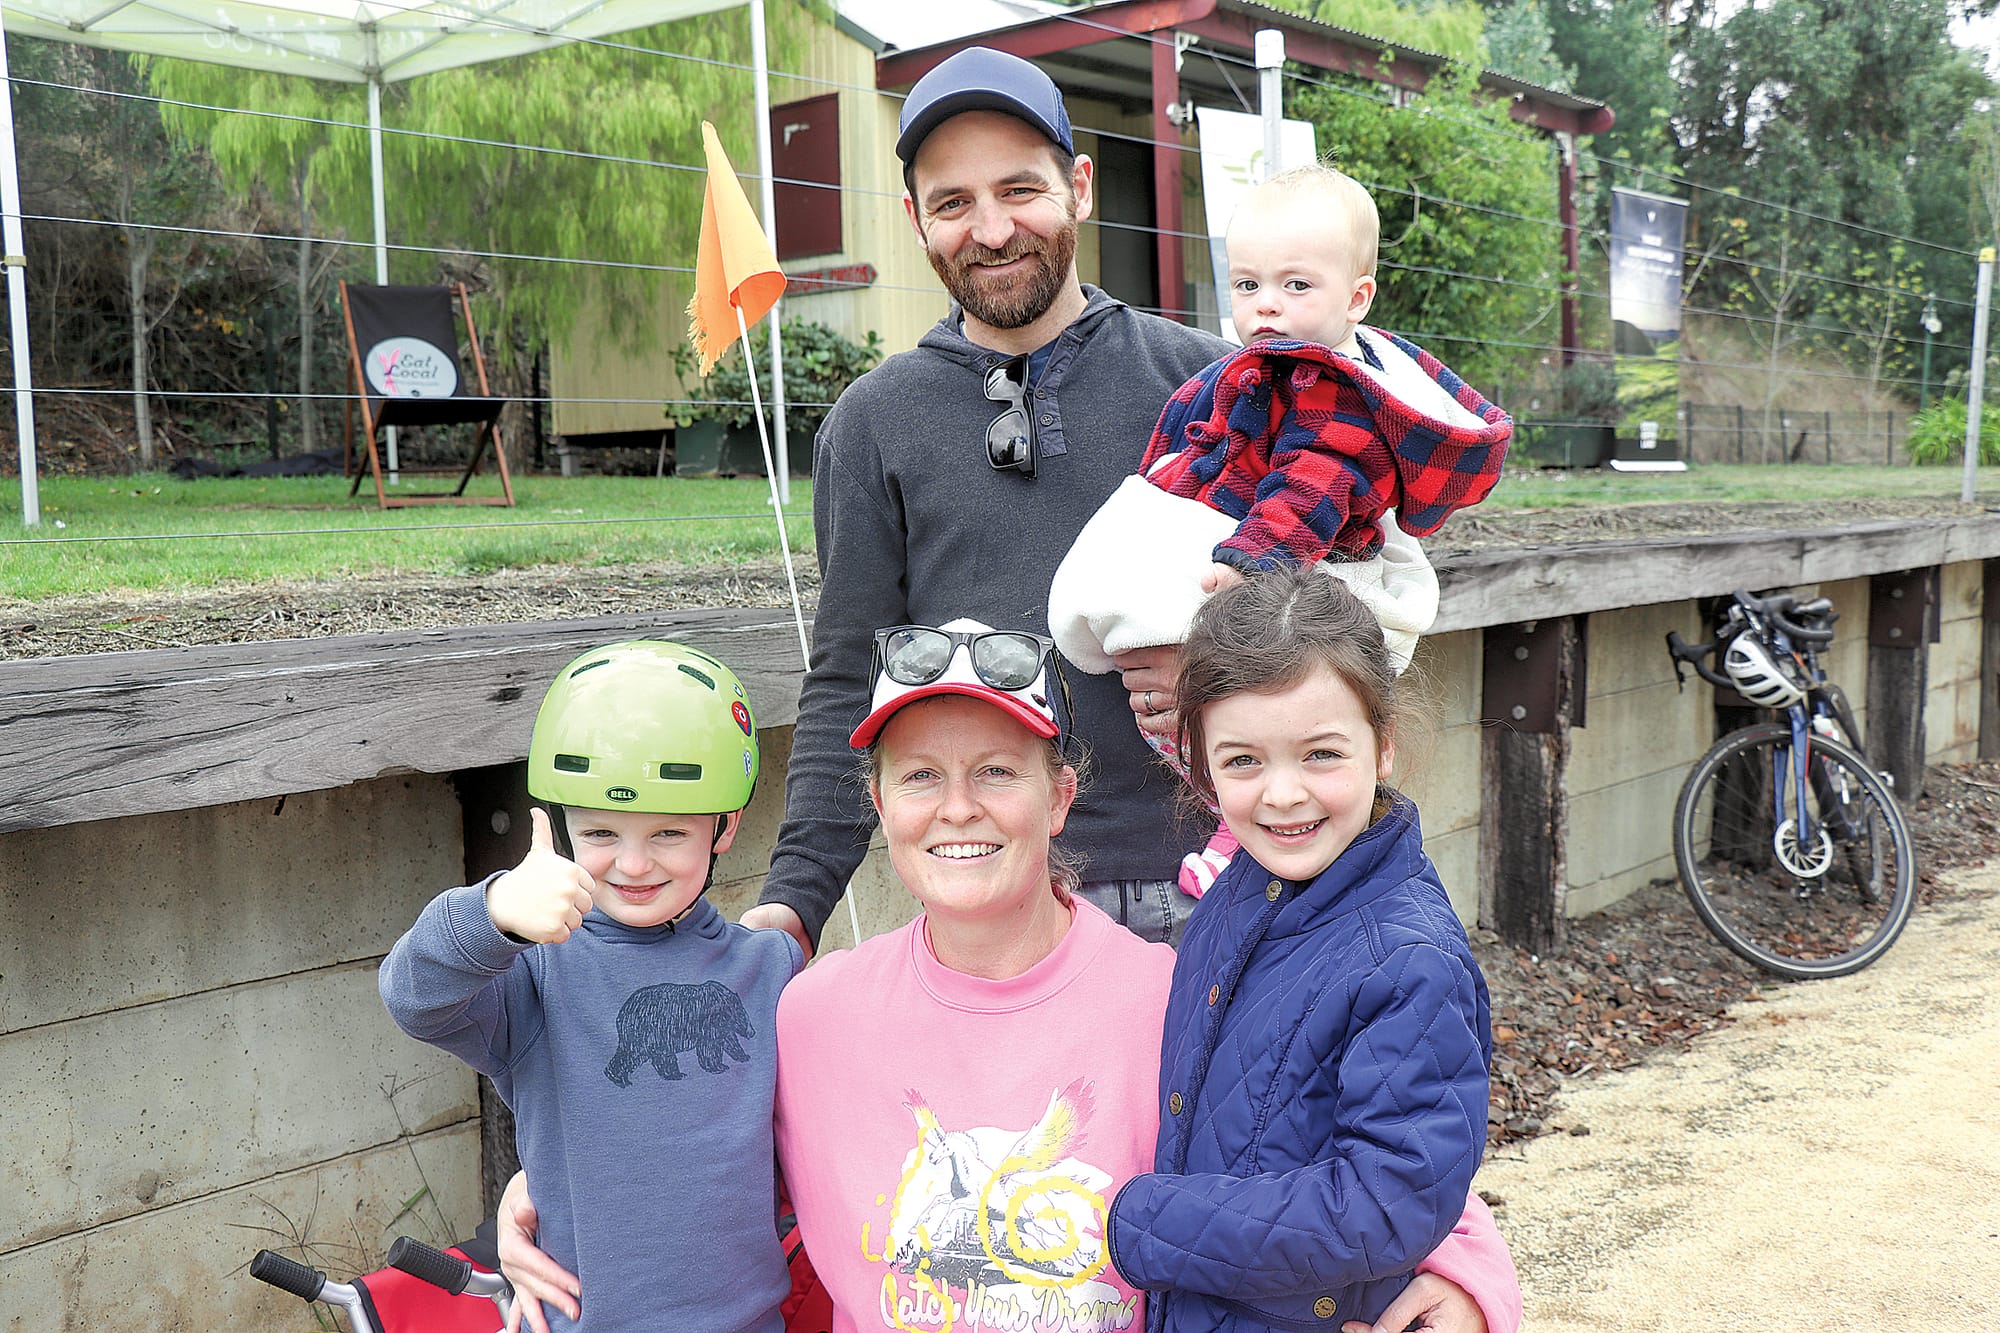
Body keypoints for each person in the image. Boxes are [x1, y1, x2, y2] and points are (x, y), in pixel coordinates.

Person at [496, 621, 1521, 1333]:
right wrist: (543, 1185)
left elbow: (1374, 1159)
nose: (958, 808)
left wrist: (1473, 1276)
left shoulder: (1172, 990)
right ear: (879, 804)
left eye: (996, 771)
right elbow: (680, 1137)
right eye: (920, 777)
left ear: (1059, 794)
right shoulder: (806, 1009)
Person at [740, 45, 1237, 955]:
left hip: (1213, 881)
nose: (993, 229)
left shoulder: (1209, 387)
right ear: (915, 220)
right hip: (991, 900)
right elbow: (851, 670)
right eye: (953, 203)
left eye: (1020, 190)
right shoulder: (873, 422)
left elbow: (1315, 615)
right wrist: (795, 901)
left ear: (1079, 186)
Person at [1046, 164, 1512, 892]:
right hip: (1260, 542)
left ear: (1357, 297)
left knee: (1230, 725)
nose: (1266, 305)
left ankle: (1236, 836)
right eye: (1247, 285)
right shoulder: (1271, 365)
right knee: (1202, 717)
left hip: (1294, 562)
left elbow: (1311, 488)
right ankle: (1232, 823)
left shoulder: (1331, 387)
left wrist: (1245, 565)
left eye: (1296, 286)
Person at [1104, 567, 1495, 1331]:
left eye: (1320, 754)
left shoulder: (1410, 959)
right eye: (1244, 760)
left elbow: (1390, 1198)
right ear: (1202, 763)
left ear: (1381, 747)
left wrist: (1154, 1224)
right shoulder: (1236, 893)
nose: (1283, 793)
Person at [379, 640, 803, 1333]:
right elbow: (412, 995)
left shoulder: (771, 969)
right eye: (602, 830)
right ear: (563, 820)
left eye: (669, 831)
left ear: (726, 825)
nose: (633, 863)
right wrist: (491, 915)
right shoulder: (536, 974)